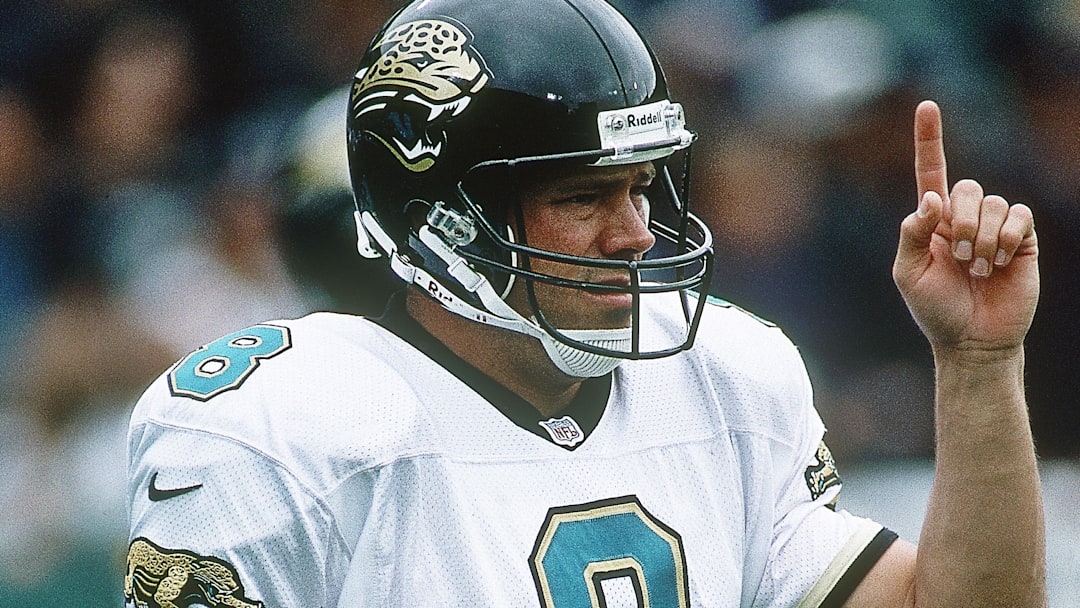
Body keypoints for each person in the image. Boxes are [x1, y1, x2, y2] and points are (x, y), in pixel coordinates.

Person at [124, 0, 1045, 606]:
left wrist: (978, 366)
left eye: (640, 187)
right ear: (440, 214)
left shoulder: (730, 379)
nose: (635, 233)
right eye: (582, 197)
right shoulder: (276, 427)